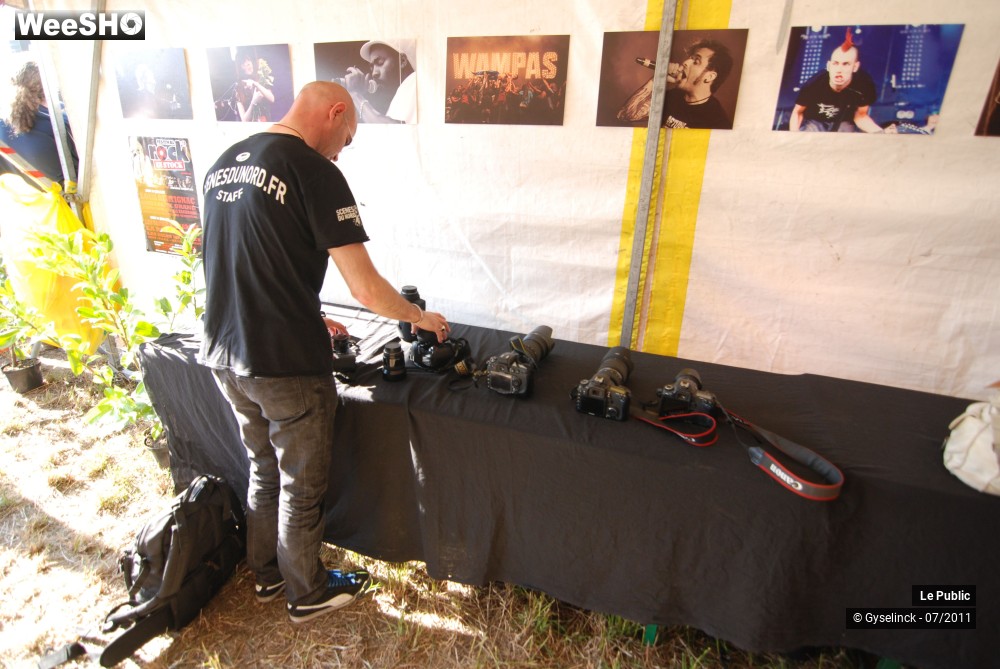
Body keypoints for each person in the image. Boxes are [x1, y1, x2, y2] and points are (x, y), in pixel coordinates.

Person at [199, 81, 450, 624]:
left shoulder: (223, 164)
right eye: (348, 138)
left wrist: (309, 312)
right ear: (335, 113)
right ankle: (307, 591)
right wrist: (417, 317)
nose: (342, 152)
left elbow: (247, 259)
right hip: (284, 362)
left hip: (224, 350)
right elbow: (365, 288)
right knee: (300, 484)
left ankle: (267, 574)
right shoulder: (313, 170)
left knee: (264, 468)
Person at [616, 39, 734, 130]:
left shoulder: (717, 121)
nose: (685, 62)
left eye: (696, 61)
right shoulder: (673, 96)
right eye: (690, 58)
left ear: (709, 77)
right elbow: (625, 116)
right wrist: (655, 80)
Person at [0, 60, 79, 186]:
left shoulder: (3, 127)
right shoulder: (59, 123)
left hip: (30, 197)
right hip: (70, 195)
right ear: (48, 87)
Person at [789, 31, 884, 133]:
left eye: (846, 64)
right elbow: (797, 112)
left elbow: (861, 116)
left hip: (844, 121)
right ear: (829, 66)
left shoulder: (864, 85)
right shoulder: (814, 84)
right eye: (835, 63)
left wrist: (880, 133)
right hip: (815, 121)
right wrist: (794, 135)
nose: (839, 70)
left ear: (855, 67)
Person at [344, 40, 416, 123]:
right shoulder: (404, 89)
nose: (374, 73)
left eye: (380, 62)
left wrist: (355, 95)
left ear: (402, 61)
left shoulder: (413, 80)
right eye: (372, 67)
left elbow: (390, 129)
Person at [234, 48, 275, 122]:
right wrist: (253, 102)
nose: (248, 66)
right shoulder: (238, 88)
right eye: (244, 64)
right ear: (240, 68)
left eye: (249, 62)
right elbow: (244, 120)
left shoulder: (261, 78)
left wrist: (256, 84)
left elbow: (272, 98)